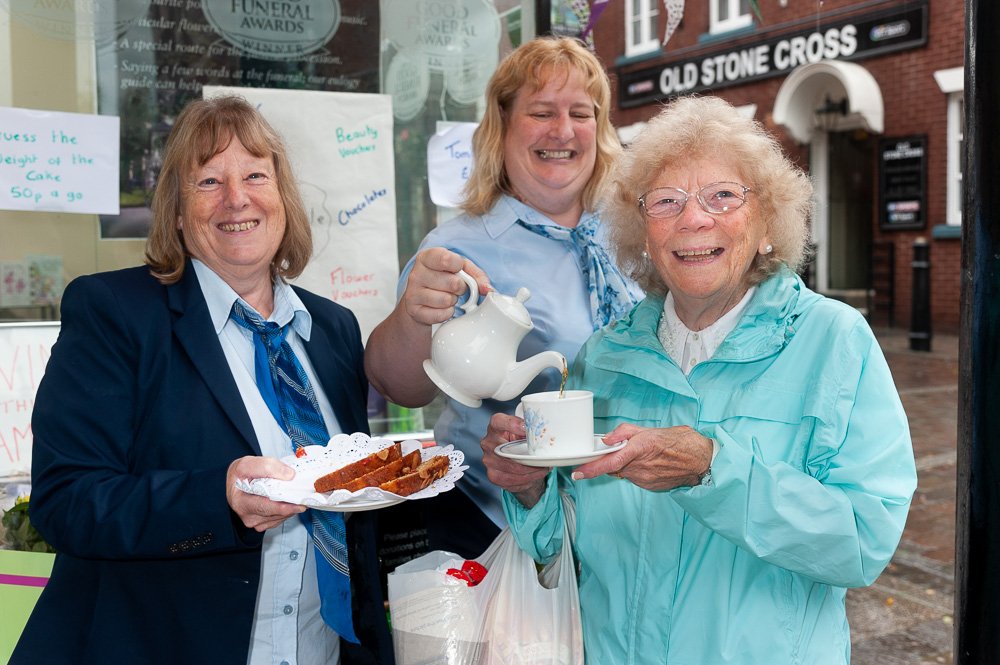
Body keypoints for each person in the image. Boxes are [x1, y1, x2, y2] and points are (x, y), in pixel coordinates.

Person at [481, 95, 918, 663]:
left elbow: (862, 542)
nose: (694, 218)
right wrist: (530, 486)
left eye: (722, 196)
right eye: (666, 201)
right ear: (643, 234)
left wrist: (716, 470)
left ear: (767, 224)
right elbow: (559, 548)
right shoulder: (603, 356)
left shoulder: (833, 341)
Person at [12, 96, 393, 665]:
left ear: (282, 195)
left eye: (255, 175)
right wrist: (217, 497)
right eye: (208, 181)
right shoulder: (115, 313)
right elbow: (67, 500)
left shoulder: (332, 328)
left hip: (322, 649)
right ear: (176, 210)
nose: (237, 199)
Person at [365, 37, 641, 559]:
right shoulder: (459, 246)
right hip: (493, 523)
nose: (562, 131)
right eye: (541, 111)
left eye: (581, 113)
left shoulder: (635, 232)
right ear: (503, 123)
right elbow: (398, 386)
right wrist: (411, 316)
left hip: (624, 521)